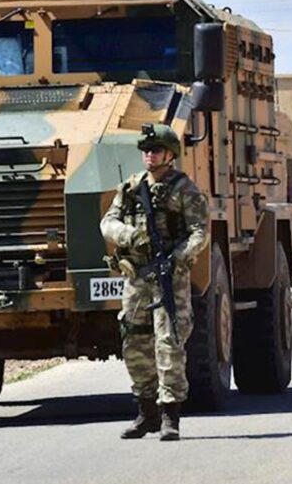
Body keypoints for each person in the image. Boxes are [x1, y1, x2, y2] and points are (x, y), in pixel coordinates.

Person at [100, 123, 208, 441]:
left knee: (169, 342)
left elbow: (199, 232)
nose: (149, 155)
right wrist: (129, 235)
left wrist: (177, 257)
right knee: (134, 343)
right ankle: (145, 412)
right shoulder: (132, 188)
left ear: (170, 155)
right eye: (146, 151)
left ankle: (169, 416)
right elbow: (108, 222)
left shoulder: (184, 189)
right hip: (137, 277)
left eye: (155, 150)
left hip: (169, 277)